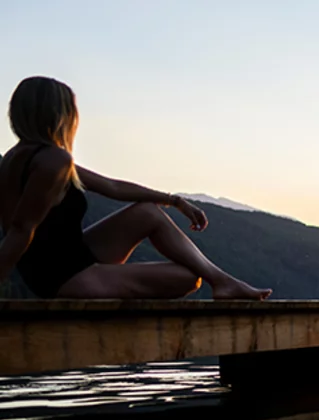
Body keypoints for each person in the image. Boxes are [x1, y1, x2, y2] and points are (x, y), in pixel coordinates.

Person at [0, 76, 270, 299]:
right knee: (187, 278)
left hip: (67, 260)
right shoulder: (53, 159)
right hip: (63, 277)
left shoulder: (23, 157)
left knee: (146, 213)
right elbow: (21, 229)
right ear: (60, 116)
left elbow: (112, 186)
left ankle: (223, 281)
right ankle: (223, 282)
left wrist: (173, 200)